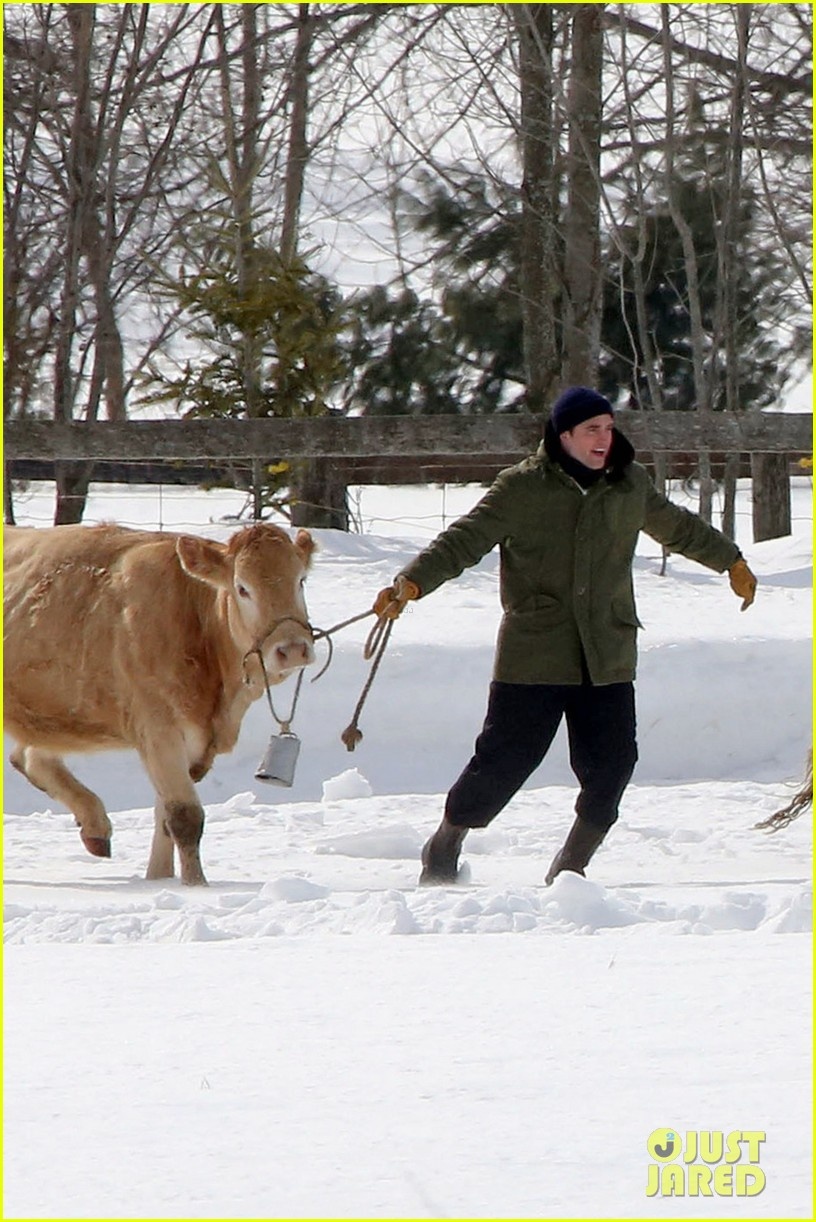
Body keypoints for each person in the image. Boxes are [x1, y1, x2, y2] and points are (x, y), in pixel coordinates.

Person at [373, 386, 757, 886]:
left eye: (608, 427)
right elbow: (463, 539)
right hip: (534, 654)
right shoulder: (522, 488)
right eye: (591, 429)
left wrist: (729, 559)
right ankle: (445, 842)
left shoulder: (629, 485)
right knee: (504, 763)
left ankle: (571, 869)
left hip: (607, 653)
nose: (604, 438)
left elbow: (677, 527)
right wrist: (413, 582)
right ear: (564, 435)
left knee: (613, 765)